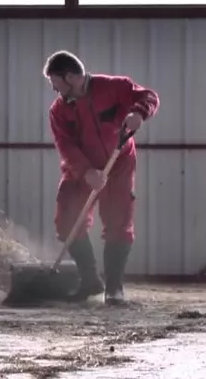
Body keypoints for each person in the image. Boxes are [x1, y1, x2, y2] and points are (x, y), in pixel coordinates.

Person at [42, 50, 159, 305]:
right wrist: (86, 172)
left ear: (71, 77)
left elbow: (148, 96)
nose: (55, 90)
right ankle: (90, 280)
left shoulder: (114, 87)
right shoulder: (59, 111)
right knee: (66, 220)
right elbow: (66, 146)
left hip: (118, 164)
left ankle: (114, 289)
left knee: (118, 222)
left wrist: (139, 113)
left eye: (56, 83)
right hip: (81, 169)